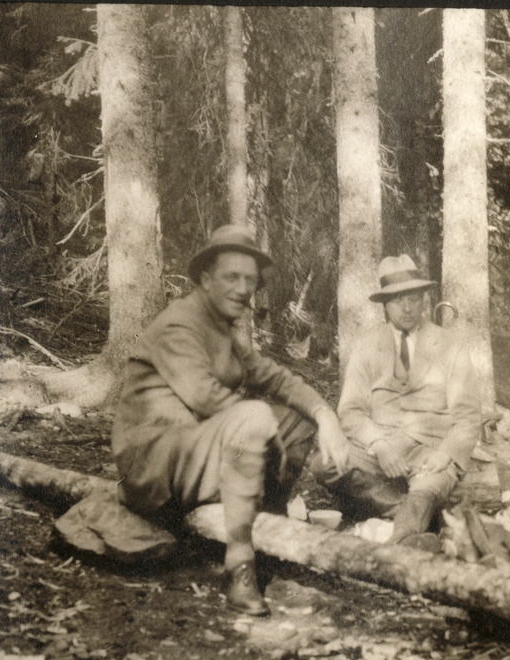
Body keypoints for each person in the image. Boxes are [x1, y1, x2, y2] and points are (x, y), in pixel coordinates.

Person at [111, 224, 349, 616]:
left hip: (192, 452)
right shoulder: (181, 323)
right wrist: (264, 432)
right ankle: (239, 566)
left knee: (297, 421)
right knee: (255, 417)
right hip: (151, 462)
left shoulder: (223, 330)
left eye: (251, 281)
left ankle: (264, 533)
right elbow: (206, 398)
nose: (243, 289)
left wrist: (326, 416)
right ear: (206, 278)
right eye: (231, 277)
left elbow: (277, 378)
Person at [332, 254, 481, 553]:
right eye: (398, 299)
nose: (408, 307)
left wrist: (446, 454)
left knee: (428, 485)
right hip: (380, 448)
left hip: (429, 449)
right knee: (327, 464)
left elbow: (468, 417)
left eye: (414, 297)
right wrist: (379, 444)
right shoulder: (366, 344)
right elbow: (350, 411)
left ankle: (402, 542)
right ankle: (415, 514)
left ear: (424, 299)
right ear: (384, 304)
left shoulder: (450, 345)